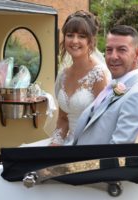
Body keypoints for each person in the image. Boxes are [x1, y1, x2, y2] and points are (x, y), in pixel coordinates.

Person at [20, 10, 111, 147]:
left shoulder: (99, 75)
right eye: (70, 35)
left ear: (90, 41)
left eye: (81, 36)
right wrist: (56, 142)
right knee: (23, 150)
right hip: (68, 142)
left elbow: (104, 122)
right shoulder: (63, 75)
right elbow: (63, 119)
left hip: (90, 146)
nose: (74, 41)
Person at [72, 25, 138, 145]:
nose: (113, 57)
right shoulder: (114, 85)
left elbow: (117, 155)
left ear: (137, 54)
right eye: (109, 50)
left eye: (122, 50)